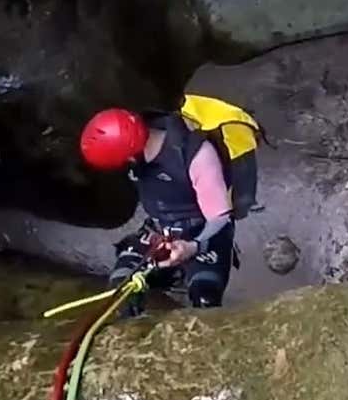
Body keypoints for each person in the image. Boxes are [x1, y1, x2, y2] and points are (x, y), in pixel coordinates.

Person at [79, 108, 237, 314]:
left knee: (205, 298)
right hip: (159, 232)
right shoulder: (136, 157)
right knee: (121, 291)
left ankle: (187, 278)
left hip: (204, 234)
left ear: (129, 156)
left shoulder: (195, 154)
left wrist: (192, 247)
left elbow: (221, 219)